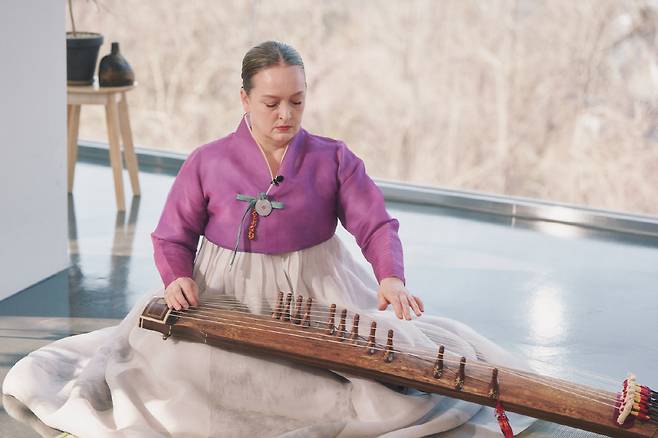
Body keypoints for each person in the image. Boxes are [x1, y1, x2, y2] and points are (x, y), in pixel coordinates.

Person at [2, 41, 534, 437]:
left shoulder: (333, 158)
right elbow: (172, 235)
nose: (286, 115)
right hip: (224, 290)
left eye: (297, 102)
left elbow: (375, 224)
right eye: (272, 102)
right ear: (245, 98)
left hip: (317, 286)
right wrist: (177, 277)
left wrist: (390, 277)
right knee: (181, 374)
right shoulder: (208, 161)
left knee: (357, 377)